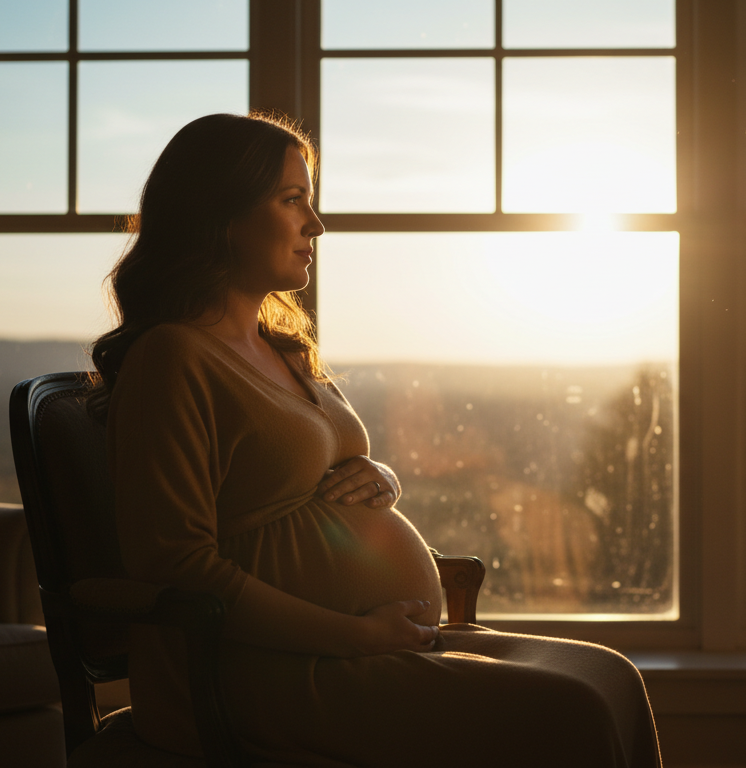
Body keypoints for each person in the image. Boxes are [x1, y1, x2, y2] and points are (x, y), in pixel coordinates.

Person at [88, 111, 662, 767]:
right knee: (573, 710)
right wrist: (355, 635)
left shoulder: (281, 348)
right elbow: (176, 566)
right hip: (257, 672)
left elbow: (323, 462)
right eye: (292, 200)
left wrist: (382, 477)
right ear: (222, 215)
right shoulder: (173, 357)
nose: (316, 224)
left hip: (360, 641)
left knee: (614, 677)